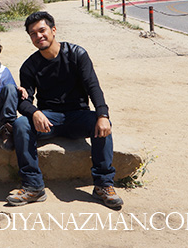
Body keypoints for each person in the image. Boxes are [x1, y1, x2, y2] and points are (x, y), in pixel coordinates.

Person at [6, 11, 123, 209]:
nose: (38, 36)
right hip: (48, 119)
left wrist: (102, 114)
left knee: (102, 124)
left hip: (78, 115)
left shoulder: (77, 54)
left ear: (53, 30)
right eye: (33, 34)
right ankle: (33, 186)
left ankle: (103, 185)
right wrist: (35, 113)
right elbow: (24, 100)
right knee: (21, 123)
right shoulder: (29, 66)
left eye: (42, 30)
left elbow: (93, 86)